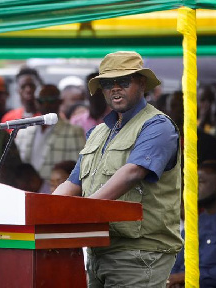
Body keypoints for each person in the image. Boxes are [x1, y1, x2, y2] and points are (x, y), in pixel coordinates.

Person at [54, 51, 181, 287]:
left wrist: (84, 211)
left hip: (140, 254)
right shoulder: (99, 132)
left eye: (123, 81)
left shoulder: (158, 125)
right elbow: (73, 183)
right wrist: (40, 213)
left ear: (141, 83)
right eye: (107, 83)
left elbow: (132, 172)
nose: (115, 89)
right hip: (99, 251)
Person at [16, 84, 85, 179]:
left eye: (51, 100)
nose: (46, 105)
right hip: (26, 190)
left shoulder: (74, 131)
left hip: (57, 190)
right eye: (41, 101)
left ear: (60, 102)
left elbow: (81, 167)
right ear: (36, 102)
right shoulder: (24, 131)